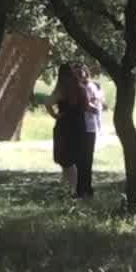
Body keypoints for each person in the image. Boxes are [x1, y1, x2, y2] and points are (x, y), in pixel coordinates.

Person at [45, 63, 86, 196]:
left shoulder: (61, 89)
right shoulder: (80, 88)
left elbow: (48, 103)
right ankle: (68, 189)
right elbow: (85, 106)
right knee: (70, 160)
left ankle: (71, 191)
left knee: (65, 160)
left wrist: (55, 115)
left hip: (64, 127)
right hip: (78, 126)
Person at [76, 63, 104, 198]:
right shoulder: (75, 88)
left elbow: (96, 106)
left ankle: (86, 188)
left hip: (89, 127)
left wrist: (89, 104)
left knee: (87, 158)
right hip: (78, 127)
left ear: (85, 73)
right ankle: (80, 188)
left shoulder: (91, 86)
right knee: (78, 159)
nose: (78, 76)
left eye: (80, 73)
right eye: (75, 73)